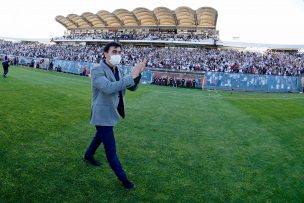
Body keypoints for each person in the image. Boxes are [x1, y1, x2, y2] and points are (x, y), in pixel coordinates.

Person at [83, 42, 146, 189]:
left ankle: (88, 155)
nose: (117, 54)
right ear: (105, 53)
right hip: (102, 114)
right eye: (114, 51)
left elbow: (131, 87)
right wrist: (132, 75)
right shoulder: (97, 69)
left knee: (99, 136)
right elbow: (108, 88)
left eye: (119, 52)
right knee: (111, 151)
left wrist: (137, 74)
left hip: (112, 111)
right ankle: (125, 180)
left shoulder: (118, 69)